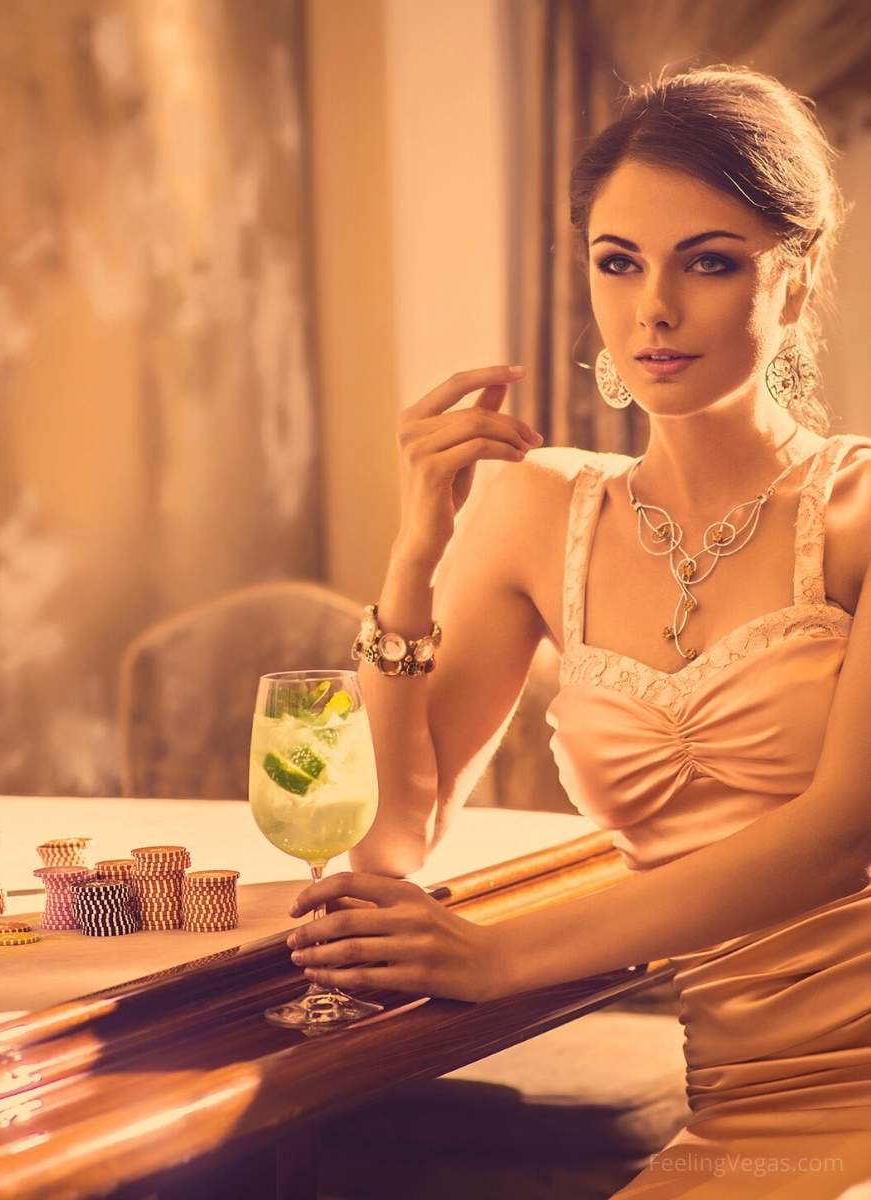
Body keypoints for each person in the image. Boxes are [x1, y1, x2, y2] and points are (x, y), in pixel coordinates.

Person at [287, 64, 871, 1196]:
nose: (653, 306)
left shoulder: (859, 513)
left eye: (709, 261)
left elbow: (838, 838)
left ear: (793, 287)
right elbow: (392, 842)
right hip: (737, 1110)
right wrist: (412, 559)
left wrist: (496, 955)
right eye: (619, 261)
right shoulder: (539, 508)